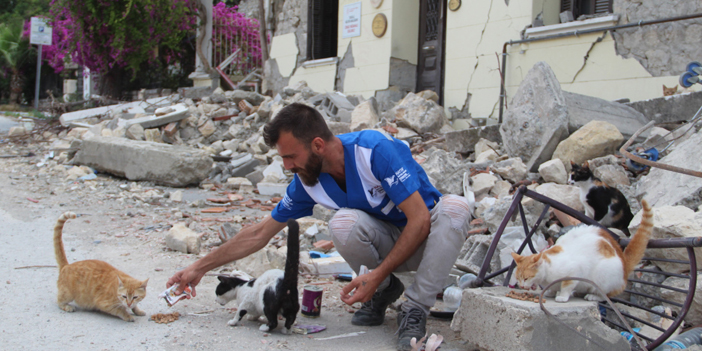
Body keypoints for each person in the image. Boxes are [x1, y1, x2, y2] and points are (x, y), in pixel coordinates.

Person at [167, 102, 473, 350]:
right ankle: (383, 289)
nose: (287, 166)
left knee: (457, 208)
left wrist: (377, 270)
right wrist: (199, 267)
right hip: (392, 246)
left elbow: (419, 220)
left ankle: (415, 308)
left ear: (317, 145)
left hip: (428, 245)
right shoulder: (306, 181)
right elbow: (260, 232)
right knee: (342, 223)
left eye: (290, 156)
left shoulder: (373, 150)